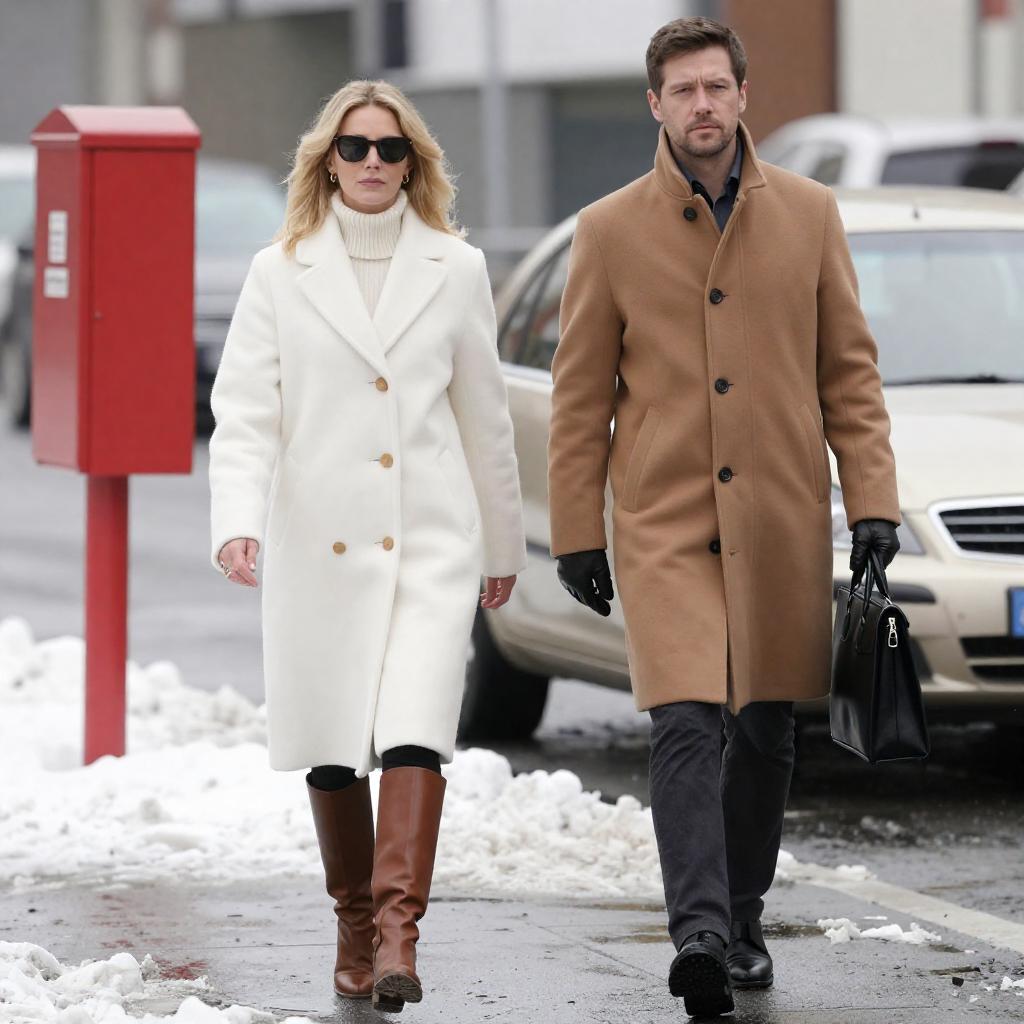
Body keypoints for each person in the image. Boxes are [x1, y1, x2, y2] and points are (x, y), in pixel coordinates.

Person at [546, 17, 900, 1019]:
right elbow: (579, 398)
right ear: (654, 106)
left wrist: (873, 502)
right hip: (663, 517)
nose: (701, 104)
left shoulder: (810, 213)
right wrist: (577, 532)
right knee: (685, 718)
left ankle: (742, 916)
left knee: (766, 729)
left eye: (716, 86)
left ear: (742, 95)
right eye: (682, 90)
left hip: (780, 513)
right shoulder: (608, 229)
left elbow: (850, 375)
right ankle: (699, 933)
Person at [208, 79, 527, 1011]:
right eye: (355, 147)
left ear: (414, 164)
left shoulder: (456, 268)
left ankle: (397, 936)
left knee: (418, 732)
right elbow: (245, 413)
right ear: (329, 161)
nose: (374, 162)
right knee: (335, 745)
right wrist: (237, 521)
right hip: (319, 545)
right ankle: (353, 923)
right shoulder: (280, 271)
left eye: (392, 148)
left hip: (430, 539)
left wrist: (502, 543)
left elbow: (485, 420)